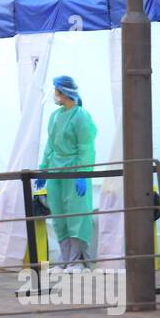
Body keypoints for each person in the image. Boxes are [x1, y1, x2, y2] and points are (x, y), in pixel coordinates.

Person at [36, 76, 98, 272]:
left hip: (74, 171)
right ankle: (65, 260)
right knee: (60, 214)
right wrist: (44, 169)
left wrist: (83, 174)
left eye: (56, 90)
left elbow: (86, 149)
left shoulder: (81, 116)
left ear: (64, 92)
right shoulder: (55, 117)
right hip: (56, 171)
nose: (55, 94)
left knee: (76, 215)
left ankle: (78, 260)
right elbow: (50, 145)